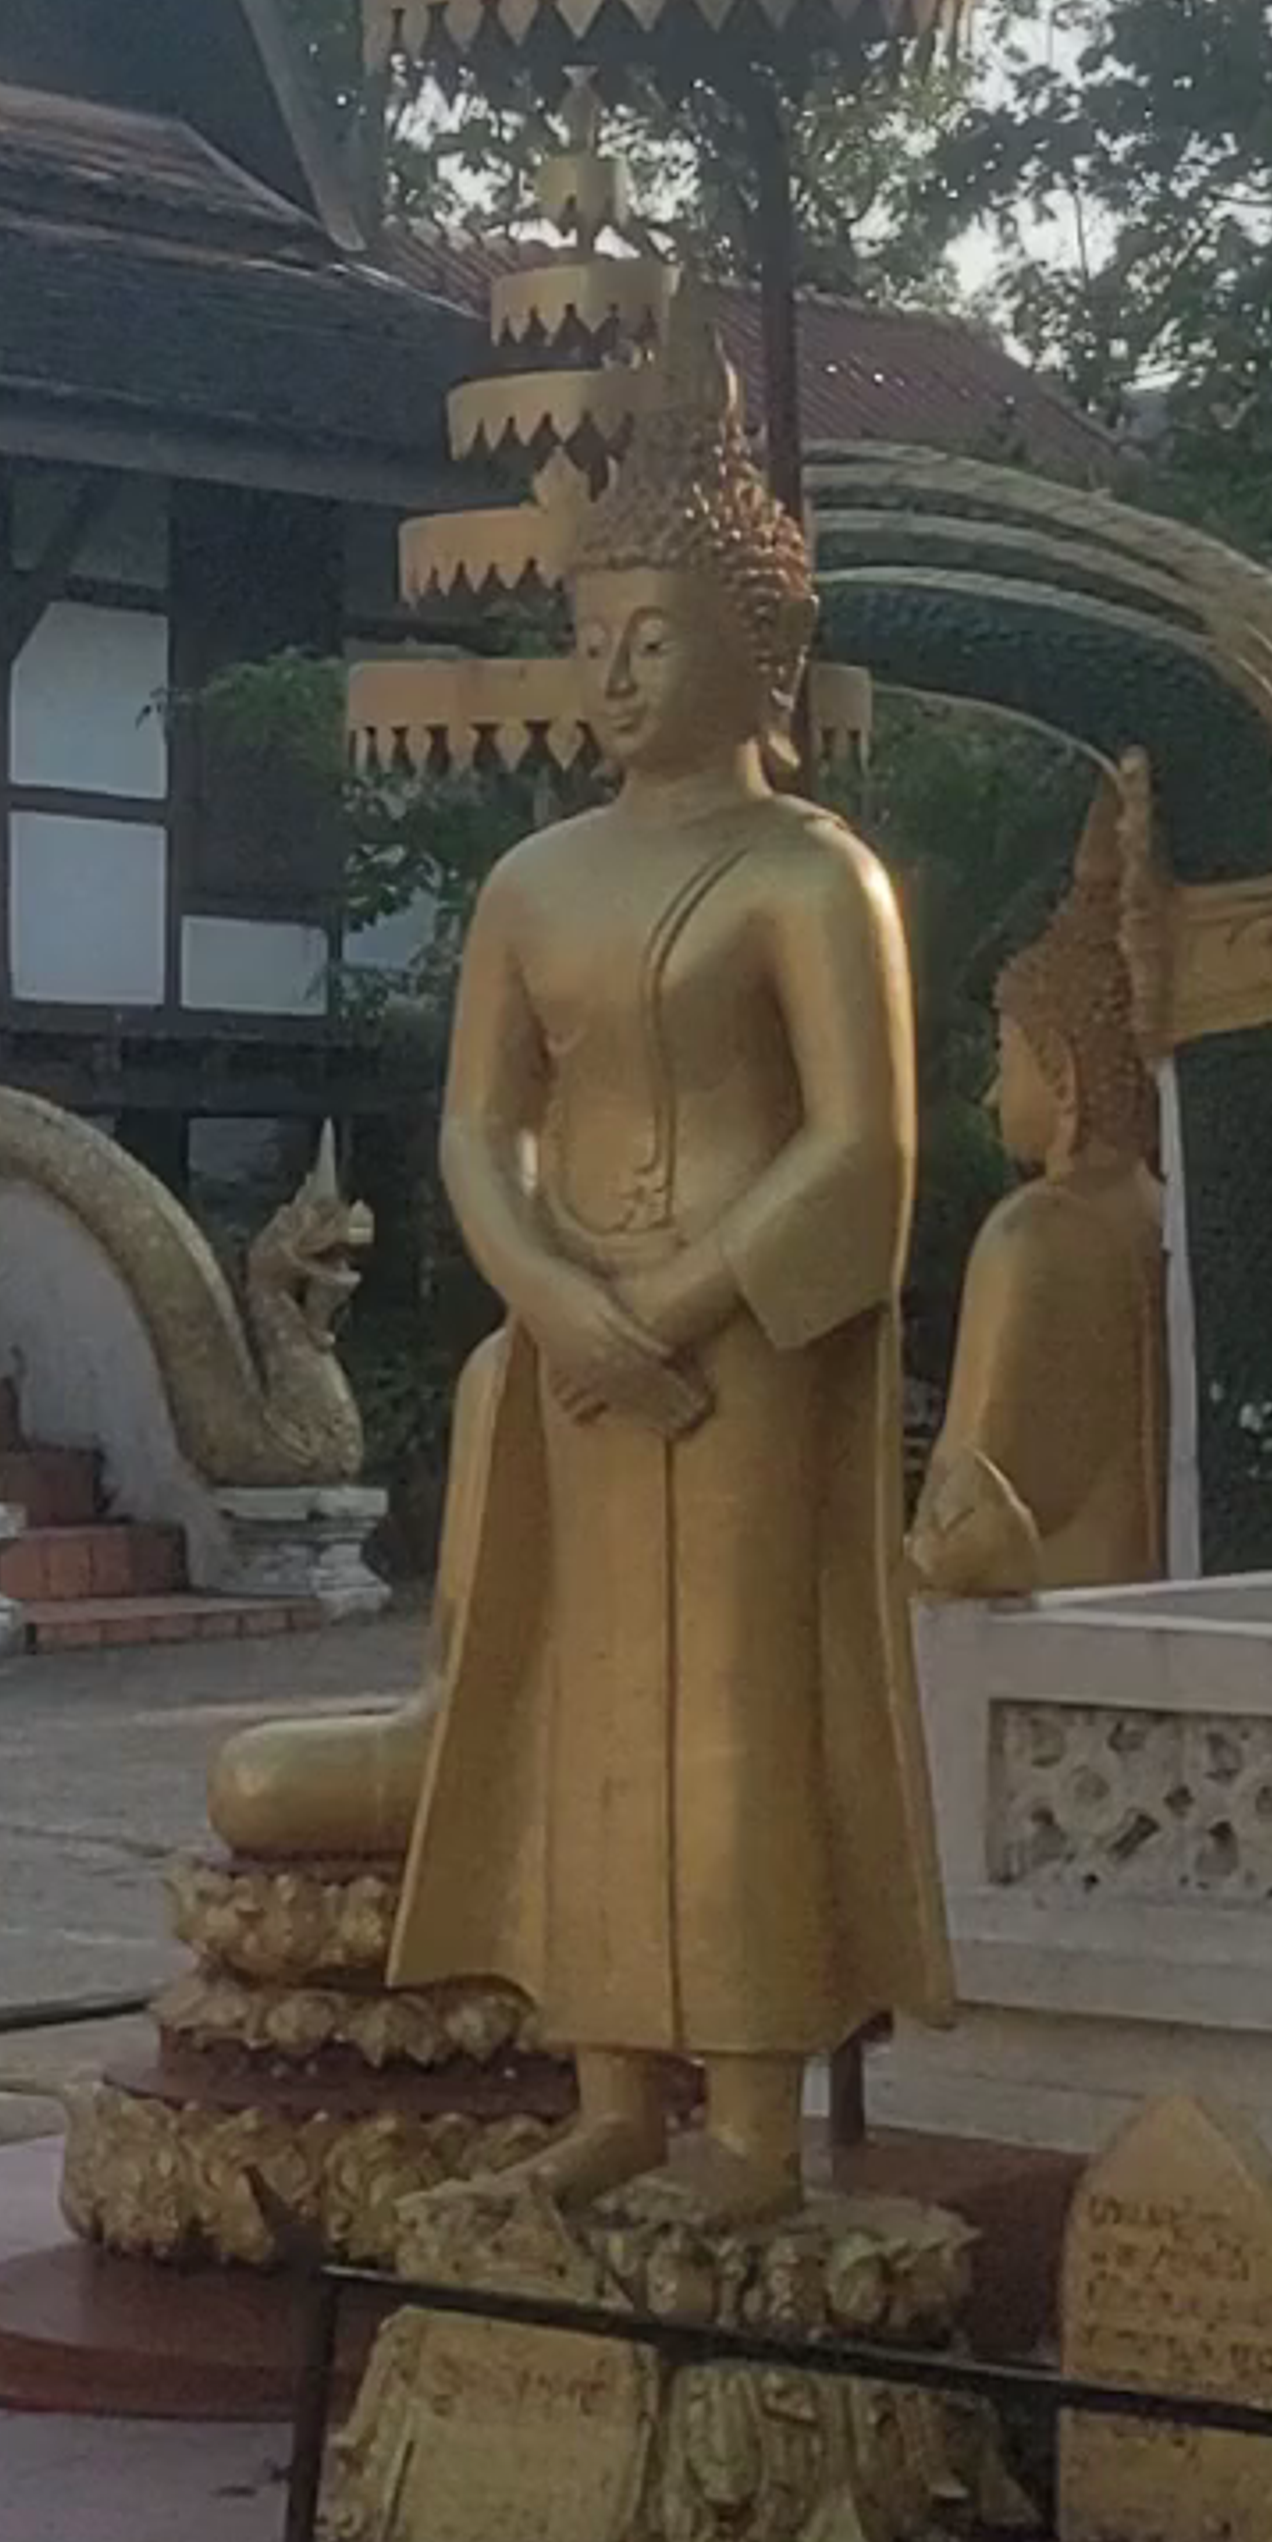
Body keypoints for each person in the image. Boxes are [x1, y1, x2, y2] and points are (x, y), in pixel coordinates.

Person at [386, 285, 954, 2218]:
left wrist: (680, 1305)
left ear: (760, 650)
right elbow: (479, 1125)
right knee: (581, 1695)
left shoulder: (814, 874)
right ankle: (612, 2080)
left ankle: (751, 2115)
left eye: (657, 635)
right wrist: (554, 1297)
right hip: (580, 1342)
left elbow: (864, 1139)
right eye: (595, 637)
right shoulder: (535, 879)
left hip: (744, 1341)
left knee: (736, 1705)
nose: (619, 671)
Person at [910, 757, 1172, 1600]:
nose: (990, 1090)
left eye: (1005, 1057)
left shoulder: (1034, 1235)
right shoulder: (1161, 1216)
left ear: (1063, 1075)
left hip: (1045, 1645)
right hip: (1153, 1596)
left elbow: (968, 1517)